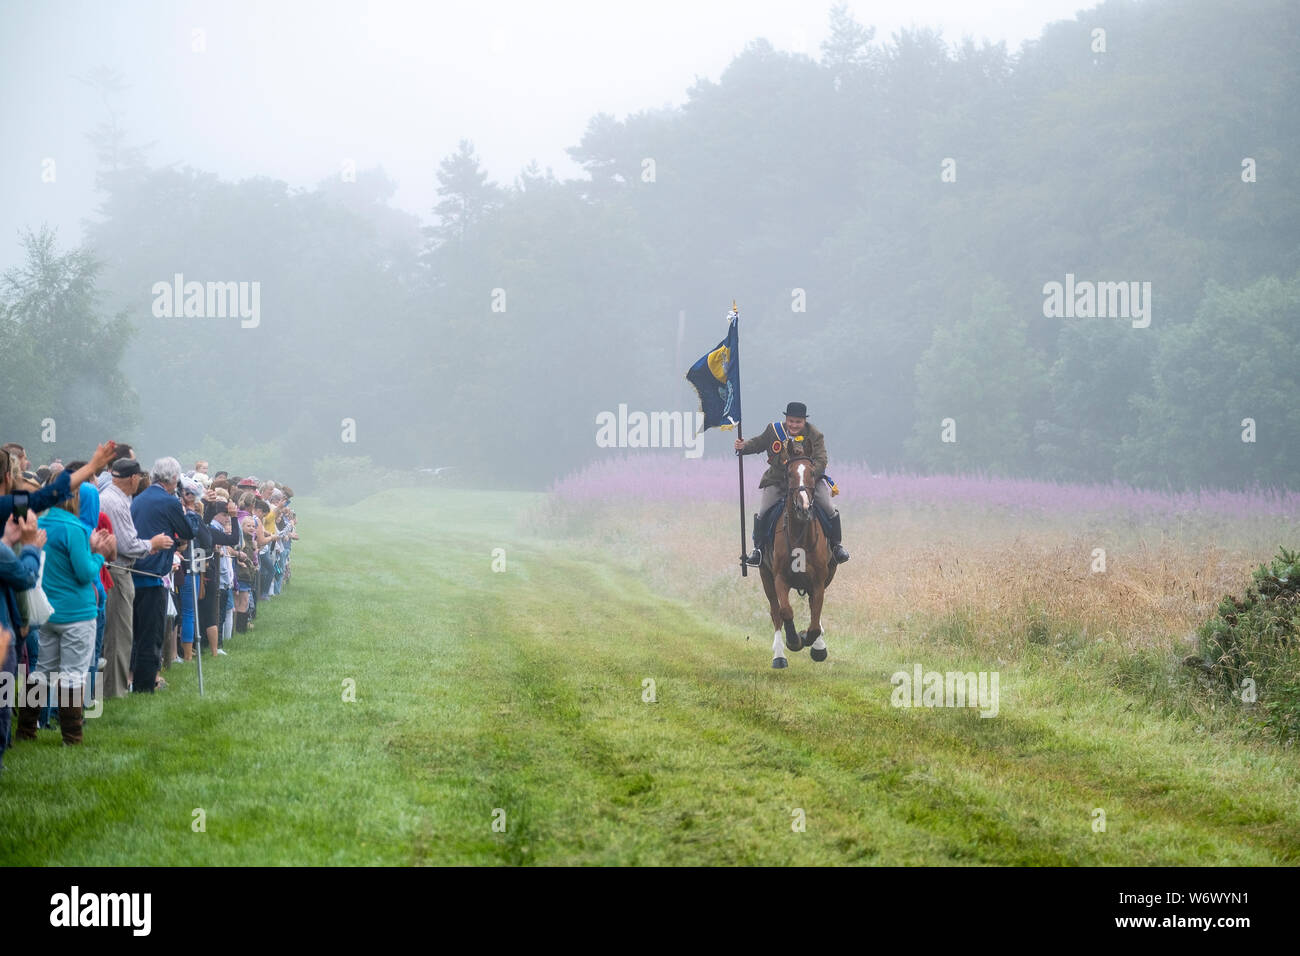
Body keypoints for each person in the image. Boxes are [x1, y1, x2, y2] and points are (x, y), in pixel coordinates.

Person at [21, 483, 115, 745]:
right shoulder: (73, 527)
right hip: (77, 612)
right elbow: (85, 573)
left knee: (43, 671)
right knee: (74, 674)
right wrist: (99, 554)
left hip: (48, 612)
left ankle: (26, 729)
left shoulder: (39, 523)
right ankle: (72, 737)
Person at [735, 401, 850, 566]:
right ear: (786, 419)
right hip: (778, 481)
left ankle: (836, 546)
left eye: (798, 422)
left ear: (804, 421)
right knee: (763, 512)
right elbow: (757, 444)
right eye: (791, 421)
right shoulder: (773, 431)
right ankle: (758, 550)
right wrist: (743, 446)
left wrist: (804, 476)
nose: (794, 425)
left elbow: (821, 460)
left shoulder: (815, 435)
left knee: (829, 509)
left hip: (809, 482)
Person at [99, 458, 171, 698]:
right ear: (132, 478)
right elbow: (127, 544)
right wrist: (153, 543)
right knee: (119, 635)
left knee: (121, 633)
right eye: (139, 477)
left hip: (120, 570)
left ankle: (114, 687)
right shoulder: (115, 502)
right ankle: (114, 691)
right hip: (118, 571)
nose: (140, 481)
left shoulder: (118, 498)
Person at [129, 458, 198, 693]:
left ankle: (130, 678)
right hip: (154, 572)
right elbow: (189, 530)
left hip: (133, 569)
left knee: (135, 631)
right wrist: (188, 509)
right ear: (173, 479)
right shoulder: (169, 501)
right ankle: (146, 684)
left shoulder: (139, 498)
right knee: (151, 632)